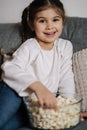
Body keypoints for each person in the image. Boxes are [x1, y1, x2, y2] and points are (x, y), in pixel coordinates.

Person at [0, 0, 76, 129]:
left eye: (55, 20)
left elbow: (66, 76)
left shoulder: (65, 46)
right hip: (15, 93)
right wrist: (38, 87)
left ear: (63, 21)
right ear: (31, 24)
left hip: (35, 107)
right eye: (42, 21)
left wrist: (71, 108)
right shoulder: (30, 46)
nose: (49, 26)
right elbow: (9, 68)